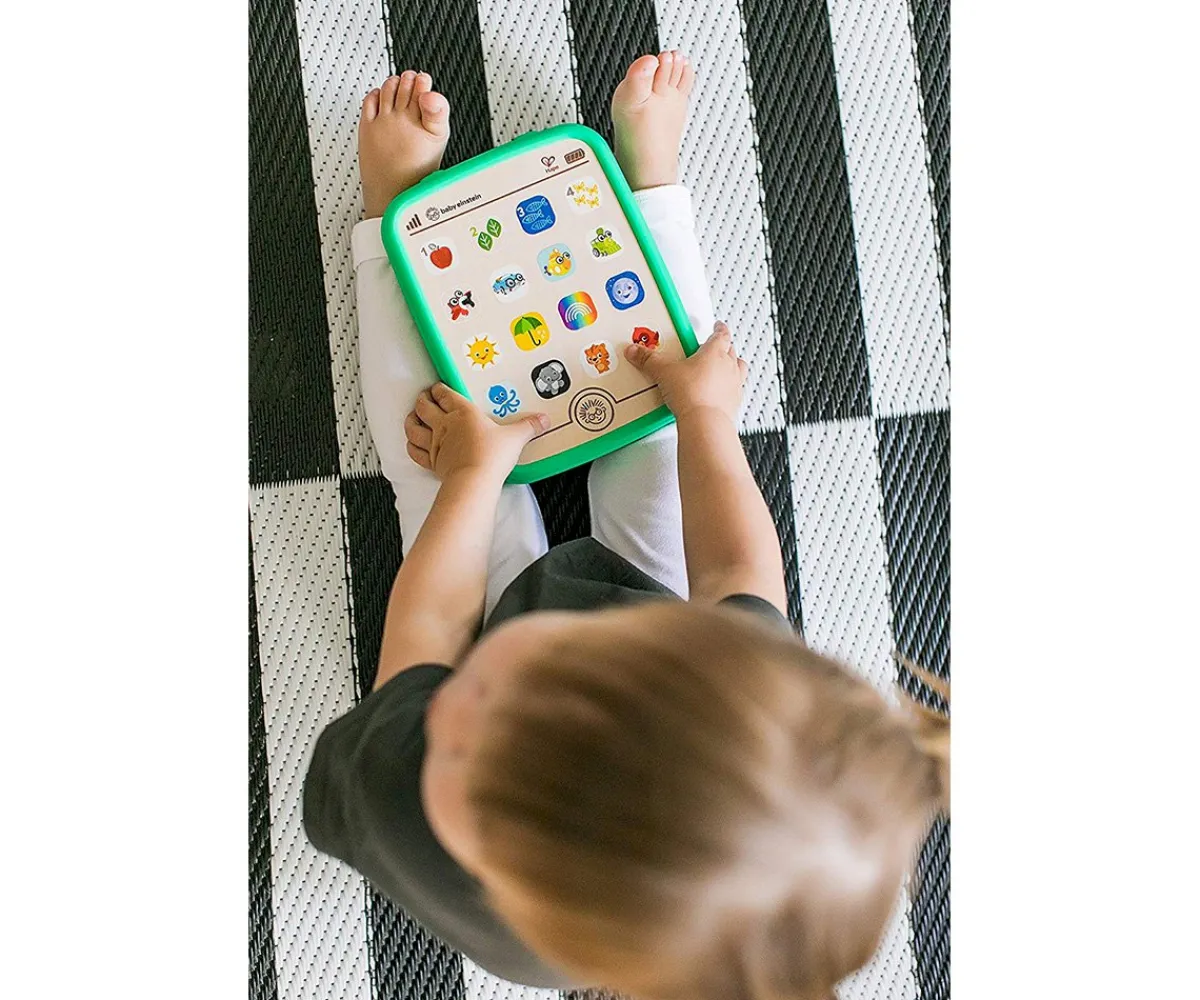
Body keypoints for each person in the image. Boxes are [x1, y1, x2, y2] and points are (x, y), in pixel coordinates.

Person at [304, 52, 949, 1000]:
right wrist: (705, 418)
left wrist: (473, 473)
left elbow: (432, 636)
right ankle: (649, 200)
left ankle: (389, 221)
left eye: (462, 722)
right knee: (667, 384)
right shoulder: (735, 687)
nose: (461, 695)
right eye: (517, 680)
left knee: (426, 446)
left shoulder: (397, 802)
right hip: (648, 600)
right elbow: (736, 561)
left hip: (506, 613)